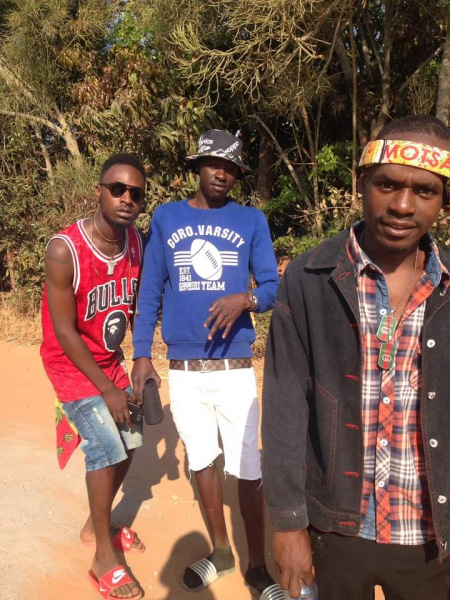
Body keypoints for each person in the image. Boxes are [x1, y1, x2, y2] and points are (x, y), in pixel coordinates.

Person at [262, 115, 450, 600]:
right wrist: (287, 523)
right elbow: (285, 405)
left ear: (443, 202)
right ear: (362, 182)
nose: (402, 205)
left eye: (424, 191)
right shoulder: (308, 278)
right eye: (388, 184)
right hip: (336, 528)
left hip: (432, 538)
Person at [131, 130, 279, 597]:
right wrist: (141, 354)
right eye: (214, 164)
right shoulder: (167, 217)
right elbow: (150, 291)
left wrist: (246, 299)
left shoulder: (251, 220)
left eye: (231, 168)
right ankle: (221, 551)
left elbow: (272, 287)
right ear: (197, 166)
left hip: (235, 372)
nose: (222, 174)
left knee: (249, 468)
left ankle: (258, 566)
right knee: (200, 460)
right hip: (183, 371)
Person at [41, 154, 147, 600]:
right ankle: (104, 556)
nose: (126, 199)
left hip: (109, 360)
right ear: (99, 192)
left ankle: (95, 525)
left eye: (136, 193)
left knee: (132, 439)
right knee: (105, 445)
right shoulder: (64, 250)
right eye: (117, 189)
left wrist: (143, 360)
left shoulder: (136, 242)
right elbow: (65, 331)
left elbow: (141, 305)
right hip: (70, 364)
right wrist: (106, 390)